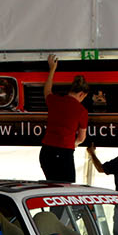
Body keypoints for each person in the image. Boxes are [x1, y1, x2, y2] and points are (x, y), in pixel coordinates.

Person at [39, 54, 89, 182]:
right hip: (64, 153)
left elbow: (47, 90)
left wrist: (52, 69)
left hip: (46, 152)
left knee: (51, 185)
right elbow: (81, 138)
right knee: (67, 188)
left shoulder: (54, 100)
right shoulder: (82, 111)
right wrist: (74, 144)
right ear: (81, 94)